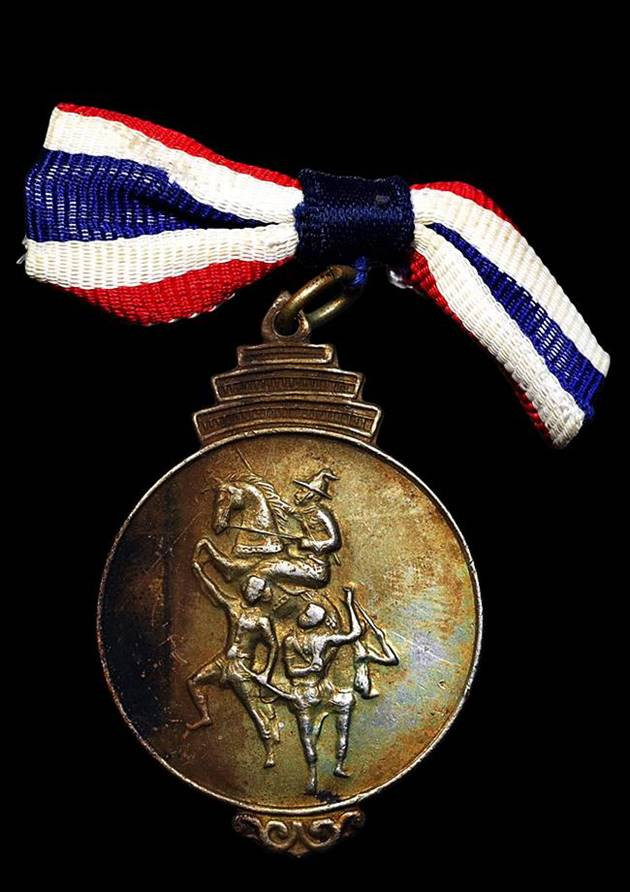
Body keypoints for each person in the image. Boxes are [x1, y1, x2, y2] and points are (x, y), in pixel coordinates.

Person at [186, 560, 280, 768]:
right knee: (194, 682)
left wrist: (267, 672)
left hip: (242, 667)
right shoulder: (234, 606)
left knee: (253, 710)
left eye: (257, 590)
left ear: (261, 594)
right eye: (251, 588)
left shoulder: (262, 621)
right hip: (224, 661)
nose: (252, 592)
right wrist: (200, 572)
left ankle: (270, 751)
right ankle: (205, 716)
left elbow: (274, 646)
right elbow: (216, 592)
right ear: (246, 588)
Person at [282, 585, 362, 793]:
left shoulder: (313, 640)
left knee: (310, 734)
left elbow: (354, 634)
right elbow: (355, 633)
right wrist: (350, 604)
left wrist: (349, 604)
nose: (303, 616)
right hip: (308, 692)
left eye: (307, 615)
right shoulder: (302, 640)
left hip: (311, 692)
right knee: (310, 734)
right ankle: (318, 772)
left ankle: (324, 770)